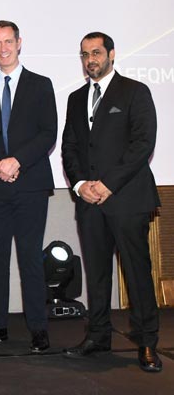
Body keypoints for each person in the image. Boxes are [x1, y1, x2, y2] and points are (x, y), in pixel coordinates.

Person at [62, 32, 162, 372]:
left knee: (137, 273)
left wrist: (107, 184)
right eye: (85, 54)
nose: (90, 59)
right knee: (97, 274)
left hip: (127, 199)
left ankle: (147, 343)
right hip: (89, 202)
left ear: (111, 54)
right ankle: (98, 336)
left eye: (96, 52)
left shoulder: (135, 91)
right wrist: (80, 185)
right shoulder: (76, 98)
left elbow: (143, 143)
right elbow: (70, 147)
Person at [0, 20, 56, 353]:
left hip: (31, 184)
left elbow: (48, 133)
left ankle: (38, 329)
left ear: (19, 43)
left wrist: (16, 161)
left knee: (30, 258)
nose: (3, 48)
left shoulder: (41, 85)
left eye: (8, 41)